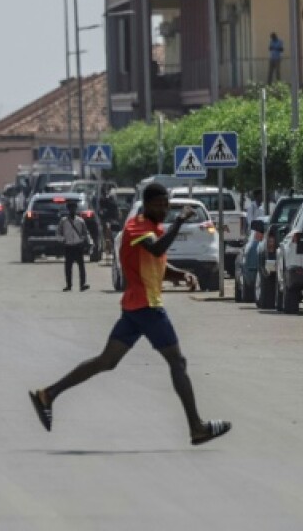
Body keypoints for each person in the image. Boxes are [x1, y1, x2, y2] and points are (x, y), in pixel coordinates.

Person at [28, 183, 231, 446]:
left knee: (106, 361)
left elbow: (157, 262)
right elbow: (155, 249)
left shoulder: (154, 229)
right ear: (146, 205)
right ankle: (196, 427)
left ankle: (48, 395)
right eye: (159, 204)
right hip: (147, 307)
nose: (164, 209)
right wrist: (179, 222)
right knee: (177, 363)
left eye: (166, 205)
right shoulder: (136, 227)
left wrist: (179, 273)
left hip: (135, 310)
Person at [57, 200, 92, 292]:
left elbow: (85, 232)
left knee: (81, 266)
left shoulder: (80, 221)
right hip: (68, 246)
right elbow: (58, 233)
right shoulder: (63, 221)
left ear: (76, 209)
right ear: (68, 209)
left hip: (78, 246)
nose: (72, 210)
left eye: (74, 208)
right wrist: (62, 240)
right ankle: (69, 285)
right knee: (68, 267)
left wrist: (88, 242)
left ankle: (82, 284)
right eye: (70, 208)